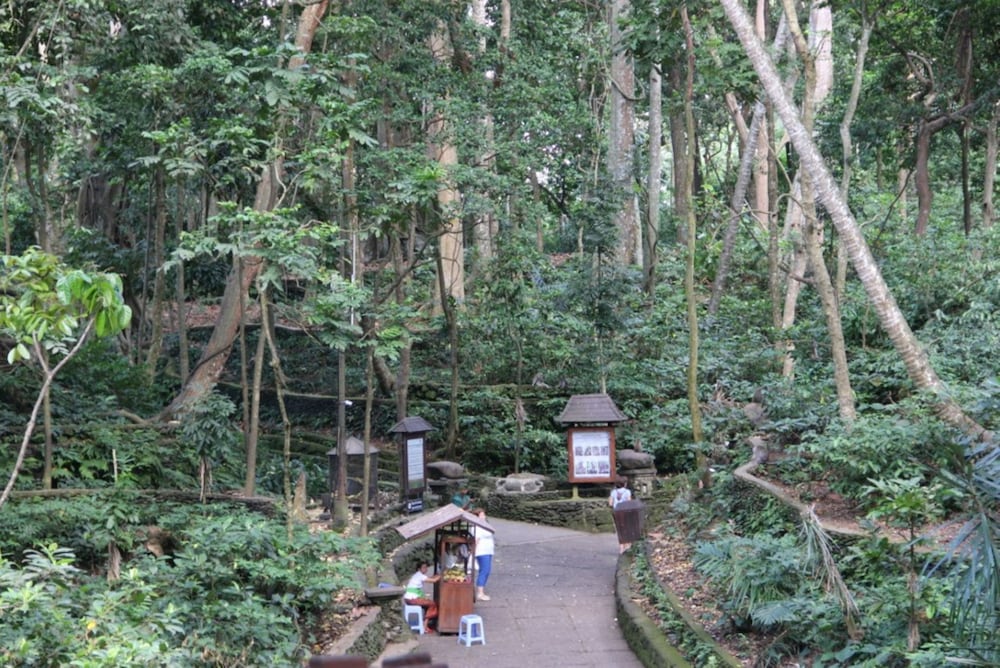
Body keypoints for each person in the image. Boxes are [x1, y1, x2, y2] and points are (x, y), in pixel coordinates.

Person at [403, 561, 440, 633]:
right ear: (419, 569)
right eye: (424, 567)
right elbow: (434, 580)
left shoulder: (417, 575)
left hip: (408, 598)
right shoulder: (420, 576)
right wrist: (442, 575)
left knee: (427, 604)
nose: (426, 569)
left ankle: (425, 624)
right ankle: (424, 626)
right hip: (412, 599)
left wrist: (436, 575)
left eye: (426, 567)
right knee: (432, 604)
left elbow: (429, 578)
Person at [471, 508, 494, 601]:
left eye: (484, 515)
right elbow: (476, 540)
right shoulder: (475, 527)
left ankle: (481, 590)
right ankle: (480, 592)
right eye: (481, 515)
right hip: (482, 551)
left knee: (486, 570)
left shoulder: (484, 525)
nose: (484, 516)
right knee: (485, 570)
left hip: (488, 551)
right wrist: (472, 553)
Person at [609, 478, 633, 554]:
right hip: (625, 512)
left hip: (616, 512)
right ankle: (627, 545)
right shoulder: (627, 492)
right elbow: (629, 502)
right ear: (625, 484)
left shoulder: (613, 492)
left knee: (619, 530)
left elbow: (610, 503)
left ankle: (621, 547)